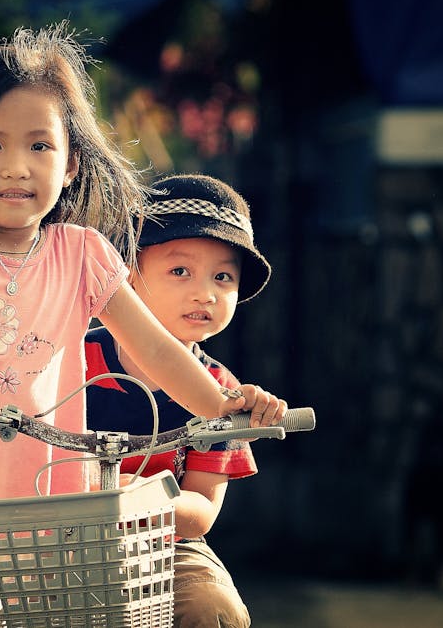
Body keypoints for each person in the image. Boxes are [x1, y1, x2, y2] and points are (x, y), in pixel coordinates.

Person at [0, 23, 281, 628]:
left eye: (40, 147)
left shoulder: (83, 254)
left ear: (71, 164)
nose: (16, 167)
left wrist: (229, 405)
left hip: (17, 526)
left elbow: (159, 352)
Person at [85, 173, 286, 627]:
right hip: (61, 531)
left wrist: (125, 498)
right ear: (130, 275)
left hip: (167, 543)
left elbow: (198, 514)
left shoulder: (220, 392)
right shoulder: (70, 360)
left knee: (214, 610)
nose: (205, 293)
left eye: (223, 277)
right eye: (180, 271)